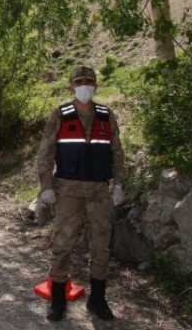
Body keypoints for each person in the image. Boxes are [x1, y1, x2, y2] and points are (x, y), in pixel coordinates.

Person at [36, 65, 126, 322]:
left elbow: (116, 152)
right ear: (71, 87)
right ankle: (58, 298)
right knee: (62, 245)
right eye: (79, 82)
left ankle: (98, 299)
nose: (84, 85)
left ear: (95, 86)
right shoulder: (60, 115)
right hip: (67, 192)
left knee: (100, 246)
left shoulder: (106, 115)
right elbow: (45, 153)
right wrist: (46, 186)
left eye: (89, 81)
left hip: (98, 192)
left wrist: (119, 184)